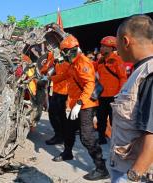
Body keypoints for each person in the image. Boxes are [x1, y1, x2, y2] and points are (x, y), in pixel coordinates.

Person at [53, 35, 109, 181]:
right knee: (68, 130)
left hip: (85, 105)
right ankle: (67, 153)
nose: (63, 55)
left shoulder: (83, 62)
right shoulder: (73, 63)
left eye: (65, 52)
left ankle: (101, 168)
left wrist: (78, 104)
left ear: (72, 50)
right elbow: (65, 75)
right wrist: (48, 79)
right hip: (75, 104)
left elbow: (89, 85)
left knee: (87, 137)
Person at [110, 14, 153, 183]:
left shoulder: (149, 74)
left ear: (125, 41)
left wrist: (133, 176)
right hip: (125, 163)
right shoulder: (140, 71)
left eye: (116, 44)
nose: (116, 50)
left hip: (133, 172)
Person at [95, 36, 127, 144]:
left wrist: (120, 94)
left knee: (115, 120)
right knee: (101, 118)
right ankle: (101, 137)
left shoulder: (117, 60)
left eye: (104, 46)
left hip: (114, 96)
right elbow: (91, 68)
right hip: (102, 95)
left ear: (112, 48)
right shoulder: (100, 61)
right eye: (101, 46)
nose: (101, 48)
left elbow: (123, 77)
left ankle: (117, 140)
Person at [42, 52, 70, 145]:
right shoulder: (57, 60)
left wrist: (50, 78)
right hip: (56, 90)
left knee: (54, 114)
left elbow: (63, 76)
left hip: (61, 91)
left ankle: (59, 136)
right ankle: (63, 135)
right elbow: (46, 69)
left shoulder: (65, 62)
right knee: (60, 114)